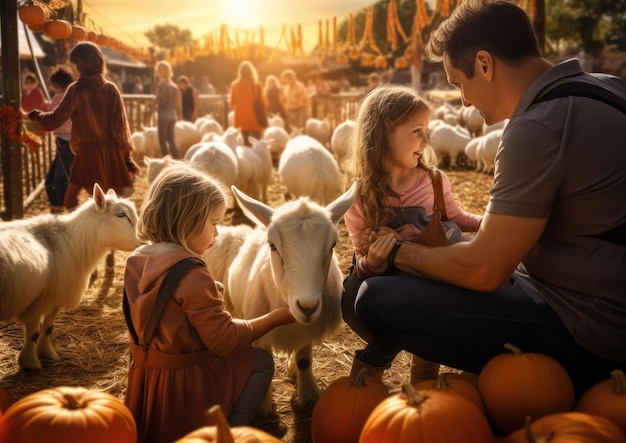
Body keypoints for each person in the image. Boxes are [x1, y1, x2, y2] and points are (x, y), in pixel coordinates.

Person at [352, 0, 626, 395]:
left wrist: (397, 252)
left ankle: (532, 384)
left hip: (593, 327)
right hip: (598, 292)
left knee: (374, 299)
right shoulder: (606, 87)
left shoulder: (538, 127)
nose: (463, 100)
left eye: (457, 83)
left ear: (484, 63)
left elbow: (484, 271)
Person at [123, 163, 294, 443]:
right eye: (214, 223)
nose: (217, 234)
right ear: (187, 220)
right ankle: (224, 433)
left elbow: (160, 309)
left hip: (148, 377)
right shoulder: (191, 272)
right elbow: (224, 340)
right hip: (183, 380)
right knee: (261, 361)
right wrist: (274, 317)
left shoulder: (137, 258)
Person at [342, 84, 482, 382]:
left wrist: (494, 223)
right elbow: (361, 259)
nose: (426, 140)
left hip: (426, 283)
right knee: (400, 315)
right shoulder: (359, 195)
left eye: (427, 130)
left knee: (449, 243)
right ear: (383, 135)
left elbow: (456, 217)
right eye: (417, 131)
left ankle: (425, 379)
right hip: (379, 287)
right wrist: (373, 263)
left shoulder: (434, 181)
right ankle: (364, 382)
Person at [28, 42, 140, 269]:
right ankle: (106, 250)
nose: (75, 68)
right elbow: (121, 127)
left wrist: (36, 116)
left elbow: (56, 118)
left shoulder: (77, 89)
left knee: (70, 200)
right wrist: (125, 157)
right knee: (109, 206)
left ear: (84, 63)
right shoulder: (111, 89)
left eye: (77, 63)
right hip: (110, 155)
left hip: (87, 156)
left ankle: (87, 247)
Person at [37, 66, 75, 213]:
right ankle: (56, 205)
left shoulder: (60, 97)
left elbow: (52, 116)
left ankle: (60, 206)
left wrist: (41, 112)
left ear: (57, 85)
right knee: (52, 178)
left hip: (65, 140)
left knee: (60, 178)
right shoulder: (69, 95)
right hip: (65, 140)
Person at [229, 60, 267, 146]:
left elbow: (231, 103)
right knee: (257, 144)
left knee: (244, 144)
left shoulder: (235, 85)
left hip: (240, 120)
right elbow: (264, 103)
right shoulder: (257, 85)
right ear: (251, 71)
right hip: (255, 120)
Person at [154, 60, 181, 158]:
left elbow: (157, 100)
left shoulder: (161, 85)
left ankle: (166, 161)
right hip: (172, 115)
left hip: (163, 116)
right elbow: (176, 104)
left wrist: (154, 104)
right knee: (171, 140)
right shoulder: (174, 86)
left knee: (162, 140)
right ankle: (177, 160)